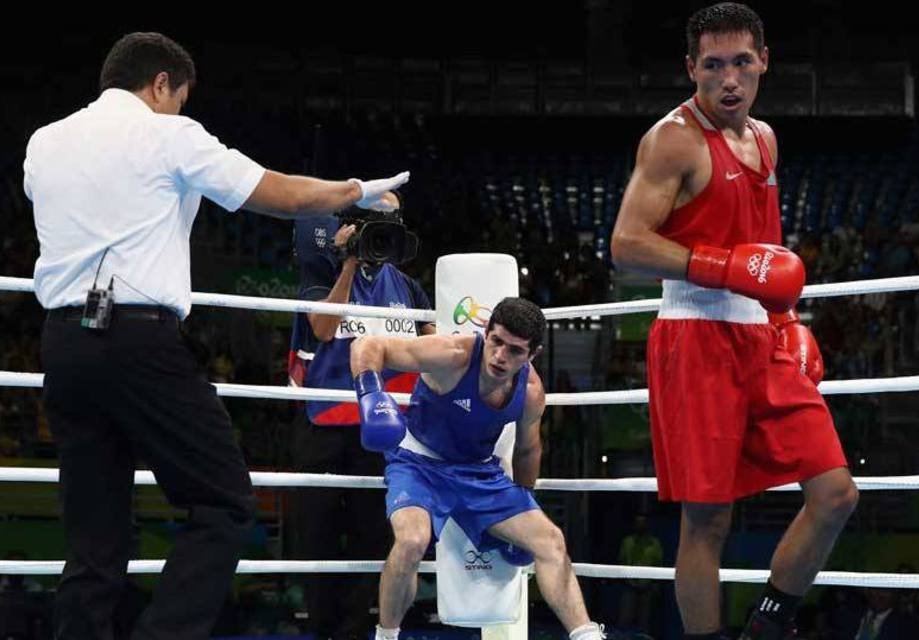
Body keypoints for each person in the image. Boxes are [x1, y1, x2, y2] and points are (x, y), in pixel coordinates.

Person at [25, 32, 408, 640]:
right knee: (226, 502)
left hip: (64, 345)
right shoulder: (169, 134)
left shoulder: (44, 143)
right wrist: (355, 191)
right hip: (136, 342)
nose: (181, 109)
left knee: (93, 536)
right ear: (160, 84)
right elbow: (279, 194)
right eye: (179, 97)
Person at [609, 4, 858, 639]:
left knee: (835, 494)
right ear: (691, 69)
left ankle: (768, 626)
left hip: (764, 335)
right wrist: (724, 267)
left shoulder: (766, 138)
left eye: (741, 63)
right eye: (713, 65)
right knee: (707, 521)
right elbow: (628, 243)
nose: (729, 80)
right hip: (695, 338)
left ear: (763, 63)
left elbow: (765, 256)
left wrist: (788, 319)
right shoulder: (673, 140)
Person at [349, 297, 604, 640]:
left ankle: (586, 634)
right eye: (497, 342)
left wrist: (523, 498)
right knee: (412, 540)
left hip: (480, 474)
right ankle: (387, 636)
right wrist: (370, 395)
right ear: (486, 332)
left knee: (551, 541)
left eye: (515, 351)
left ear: (533, 354)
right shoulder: (453, 355)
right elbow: (368, 344)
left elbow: (529, 449)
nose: (501, 356)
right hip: (418, 463)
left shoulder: (530, 392)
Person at [286, 210, 433, 638]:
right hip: (324, 424)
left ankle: (354, 632)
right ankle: (320, 630)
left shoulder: (407, 286)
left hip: (384, 427)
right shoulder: (322, 271)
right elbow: (324, 328)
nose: (383, 229)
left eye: (394, 219)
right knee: (317, 534)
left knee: (375, 536)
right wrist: (348, 262)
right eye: (375, 220)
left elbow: (436, 340)